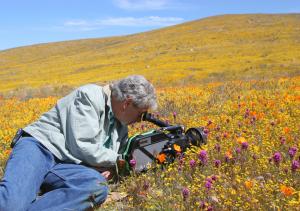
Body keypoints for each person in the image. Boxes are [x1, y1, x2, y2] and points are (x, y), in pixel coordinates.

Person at [0, 75, 157, 210]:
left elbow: (107, 161)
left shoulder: (121, 127)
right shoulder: (89, 96)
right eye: (140, 114)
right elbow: (82, 146)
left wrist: (111, 169)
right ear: (127, 103)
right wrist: (118, 160)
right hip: (40, 148)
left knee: (96, 186)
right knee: (10, 205)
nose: (138, 121)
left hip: (67, 165)